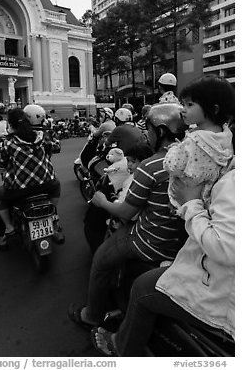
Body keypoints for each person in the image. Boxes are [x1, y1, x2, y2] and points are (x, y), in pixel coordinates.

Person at [91, 156, 235, 356]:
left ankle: (111, 335)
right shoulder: (219, 164)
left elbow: (125, 212)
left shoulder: (150, 166)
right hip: (187, 249)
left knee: (115, 269)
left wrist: (192, 204)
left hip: (155, 244)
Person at [68, 102, 187, 328]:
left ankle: (91, 315)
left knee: (101, 259)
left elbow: (126, 211)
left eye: (150, 130)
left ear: (160, 131)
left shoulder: (150, 165)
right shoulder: (194, 156)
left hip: (152, 240)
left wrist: (102, 202)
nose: (147, 135)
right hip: (182, 238)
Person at [0, 107, 64, 251]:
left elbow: (2, 160)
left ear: (10, 124)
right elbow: (55, 147)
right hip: (48, 183)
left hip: (20, 189)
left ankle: (7, 231)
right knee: (57, 185)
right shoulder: (41, 135)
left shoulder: (9, 142)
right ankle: (52, 217)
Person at [164, 76, 234, 211]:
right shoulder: (225, 135)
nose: (182, 109)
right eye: (183, 104)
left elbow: (172, 166)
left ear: (214, 109)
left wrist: (173, 150)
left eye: (190, 105)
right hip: (208, 200)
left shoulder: (195, 140)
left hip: (185, 199)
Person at [83, 143, 153, 254]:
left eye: (133, 162)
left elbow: (127, 211)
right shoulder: (136, 175)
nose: (129, 165)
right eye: (128, 161)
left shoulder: (141, 178)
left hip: (127, 219)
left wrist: (105, 202)